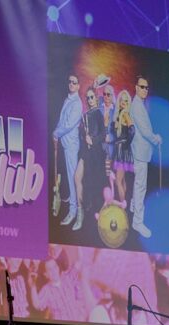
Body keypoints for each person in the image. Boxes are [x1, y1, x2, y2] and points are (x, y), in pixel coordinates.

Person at [130, 75, 162, 238]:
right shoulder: (136, 106)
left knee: (138, 183)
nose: (145, 90)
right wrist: (156, 139)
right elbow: (144, 130)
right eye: (142, 87)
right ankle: (137, 222)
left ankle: (133, 206)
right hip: (140, 152)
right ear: (136, 87)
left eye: (146, 87)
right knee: (140, 186)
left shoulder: (139, 104)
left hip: (140, 151)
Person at [72, 87, 105, 231]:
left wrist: (93, 140)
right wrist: (82, 134)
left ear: (96, 98)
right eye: (88, 97)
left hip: (95, 154)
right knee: (77, 178)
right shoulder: (85, 115)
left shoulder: (98, 113)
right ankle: (80, 213)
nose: (90, 100)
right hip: (85, 152)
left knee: (93, 184)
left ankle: (93, 219)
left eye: (92, 97)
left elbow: (103, 134)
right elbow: (83, 134)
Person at [53, 74, 83, 226]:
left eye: (74, 82)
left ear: (78, 86)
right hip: (64, 143)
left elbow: (69, 124)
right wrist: (56, 135)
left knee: (72, 178)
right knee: (66, 176)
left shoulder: (77, 104)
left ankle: (73, 211)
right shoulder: (68, 100)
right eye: (70, 81)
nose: (71, 84)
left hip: (71, 145)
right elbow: (61, 120)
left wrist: (56, 133)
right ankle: (70, 203)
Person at [112, 89, 134, 204]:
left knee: (118, 181)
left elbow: (132, 130)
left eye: (126, 100)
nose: (124, 102)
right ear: (119, 101)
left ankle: (123, 205)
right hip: (120, 149)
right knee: (123, 179)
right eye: (122, 100)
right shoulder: (120, 114)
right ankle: (124, 203)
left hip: (123, 150)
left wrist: (126, 143)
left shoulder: (125, 114)